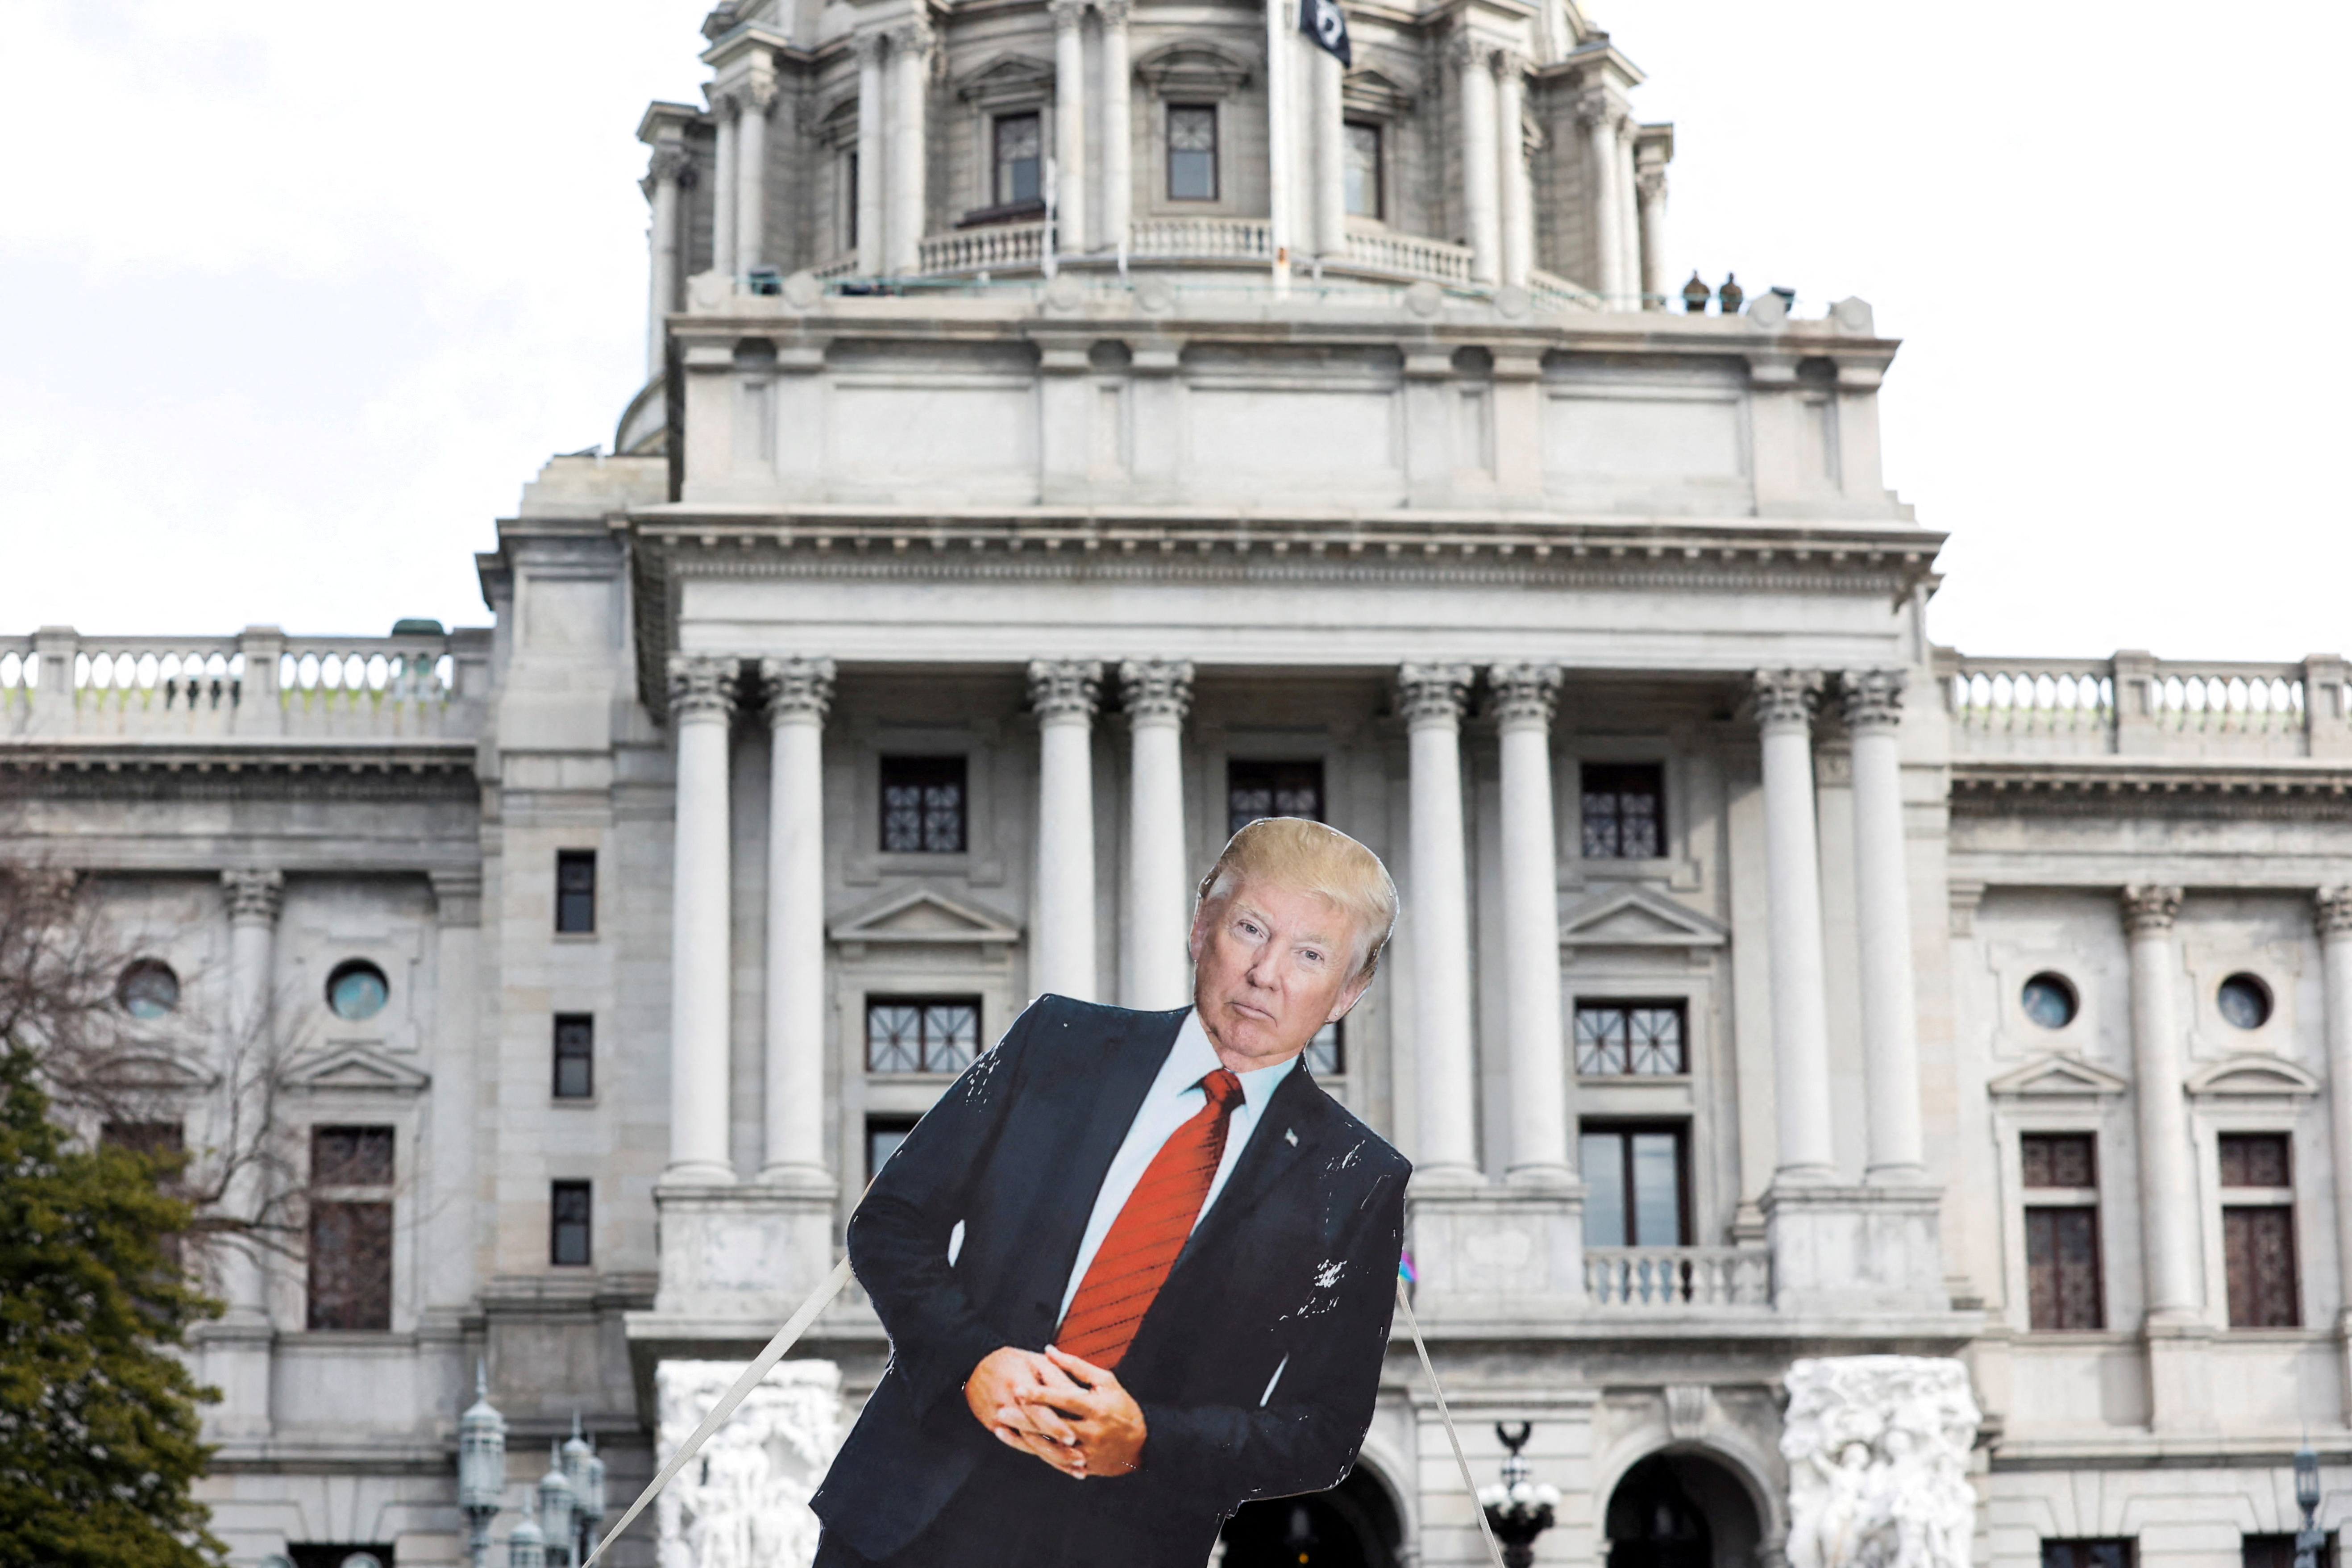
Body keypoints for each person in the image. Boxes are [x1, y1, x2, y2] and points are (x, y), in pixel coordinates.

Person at [810, 817, 1413, 1568]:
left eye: (1310, 954)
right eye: (1250, 929)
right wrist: (971, 1361)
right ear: (1200, 928)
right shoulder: (1055, 1041)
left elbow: (1325, 1431)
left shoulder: (1360, 1176)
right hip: (906, 1518)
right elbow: (892, 1220)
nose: (1266, 972)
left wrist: (1146, 1441)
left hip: (1126, 1542)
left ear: (1348, 992)